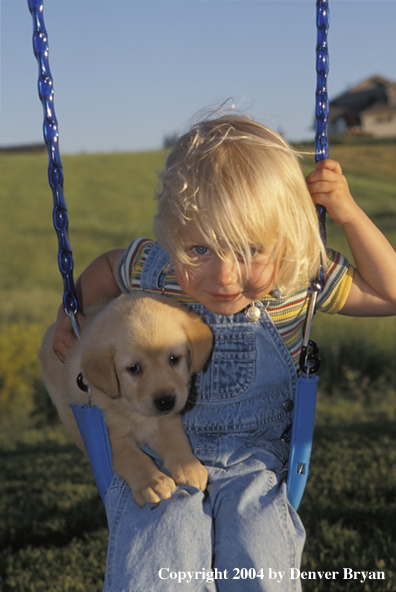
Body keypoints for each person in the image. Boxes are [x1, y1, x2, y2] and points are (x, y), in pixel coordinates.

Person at [52, 113, 396, 591]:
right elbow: (109, 268)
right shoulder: (160, 269)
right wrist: (71, 317)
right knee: (158, 556)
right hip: (157, 446)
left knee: (259, 558)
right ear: (173, 239)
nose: (225, 276)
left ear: (286, 237)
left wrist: (348, 213)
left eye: (251, 249)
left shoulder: (297, 282)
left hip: (253, 461)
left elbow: (390, 293)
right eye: (200, 250)